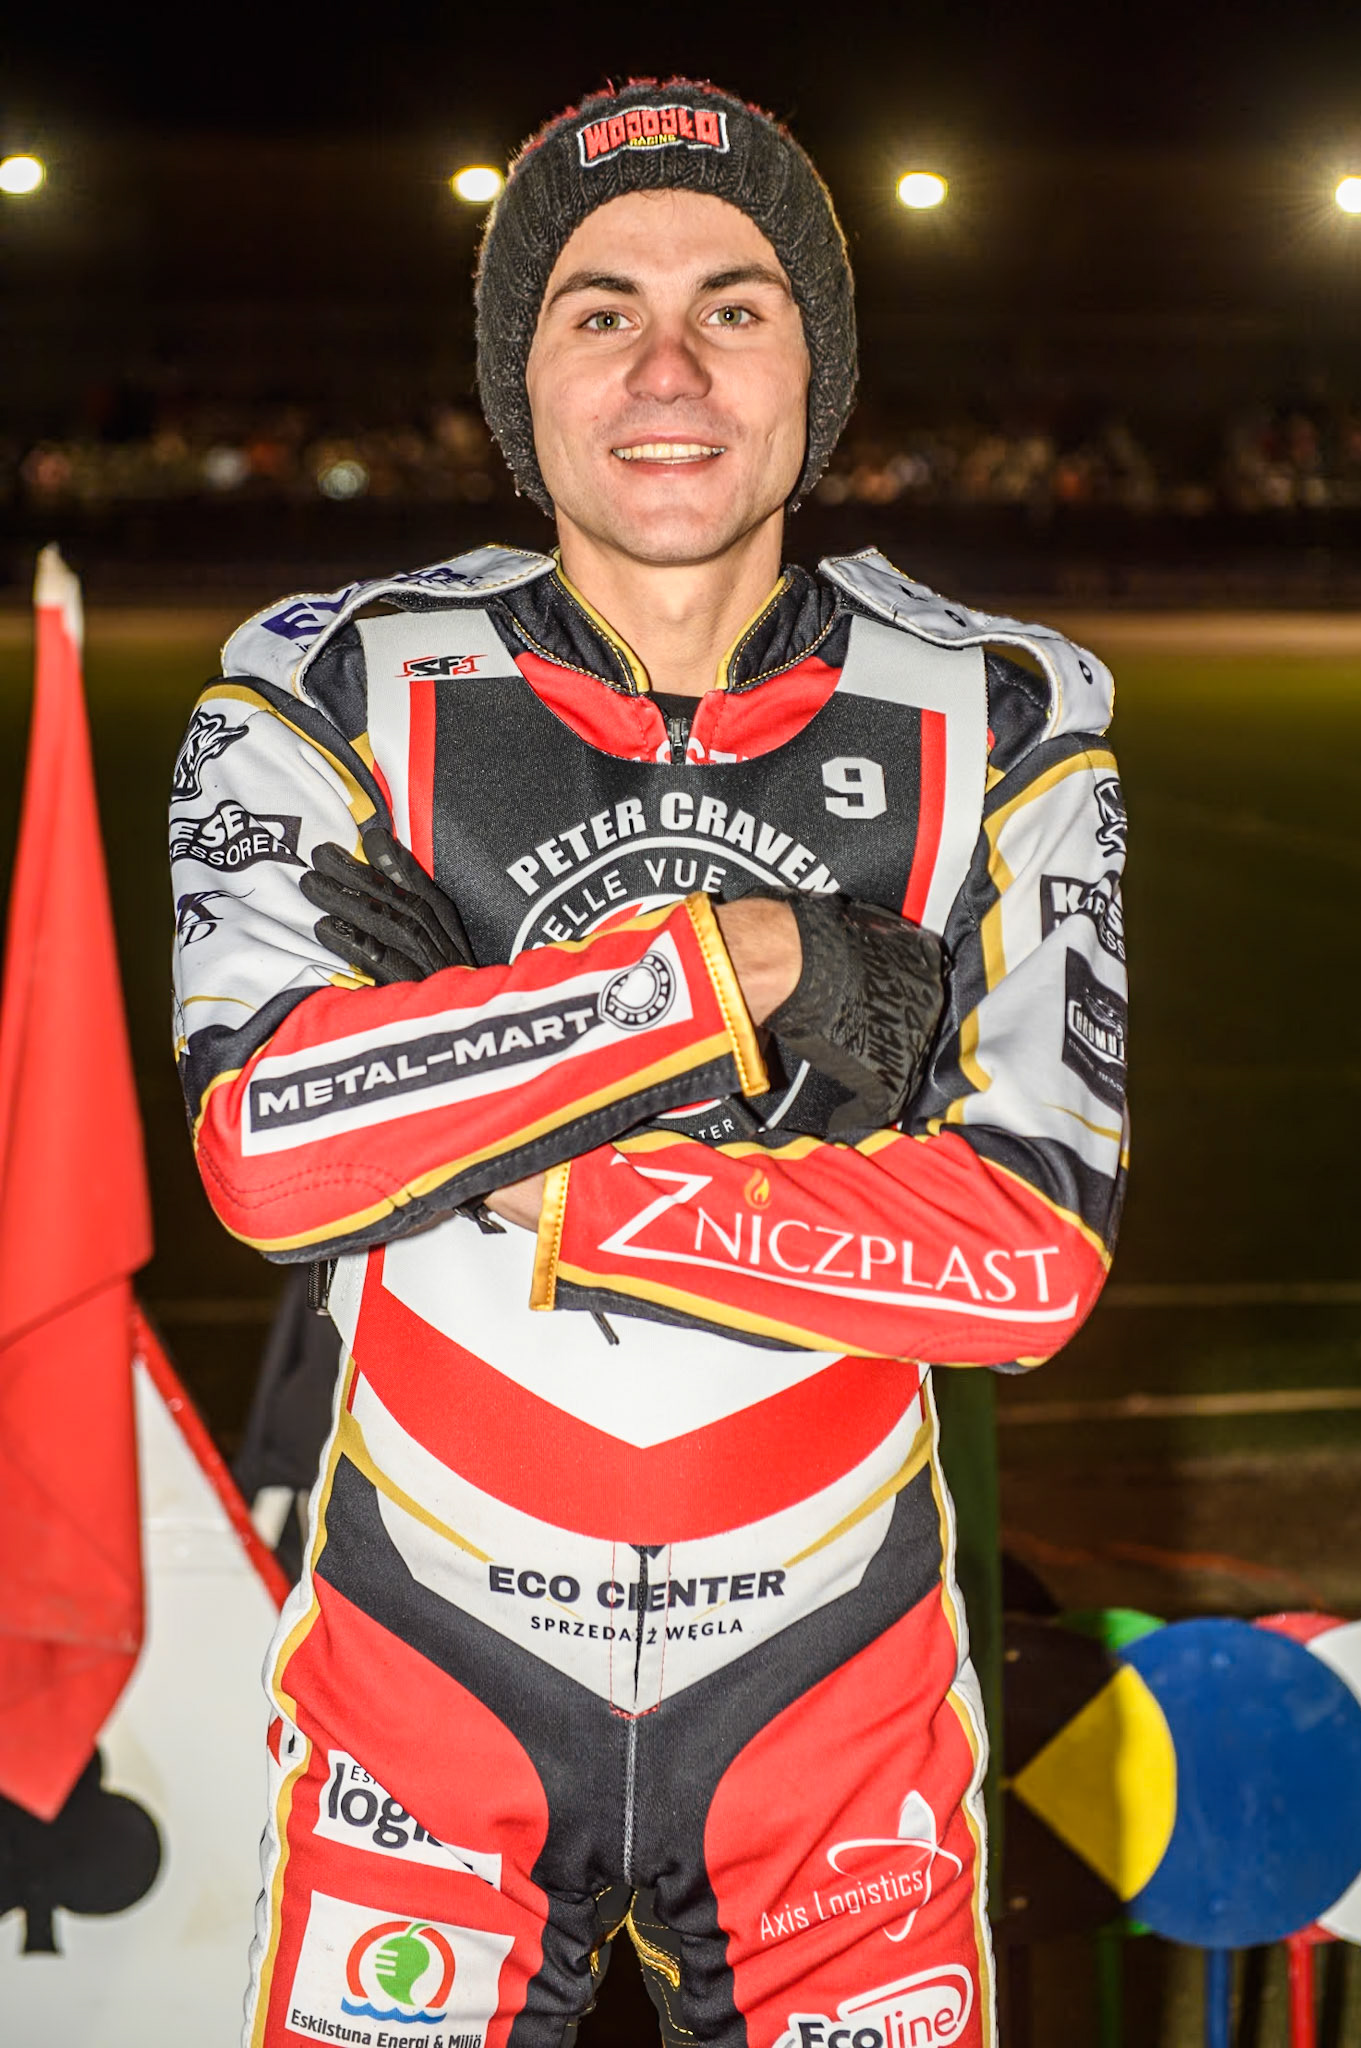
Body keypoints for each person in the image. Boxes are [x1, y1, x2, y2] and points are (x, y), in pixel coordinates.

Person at [170, 79, 1127, 2048]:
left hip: (830, 1691)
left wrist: (496, 1127)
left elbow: (1027, 1263)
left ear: (813, 368)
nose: (666, 368)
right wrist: (734, 974)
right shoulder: (325, 686)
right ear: (518, 377)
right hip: (426, 1673)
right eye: (598, 309)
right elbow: (270, 1154)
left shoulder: (1002, 710)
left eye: (733, 306)